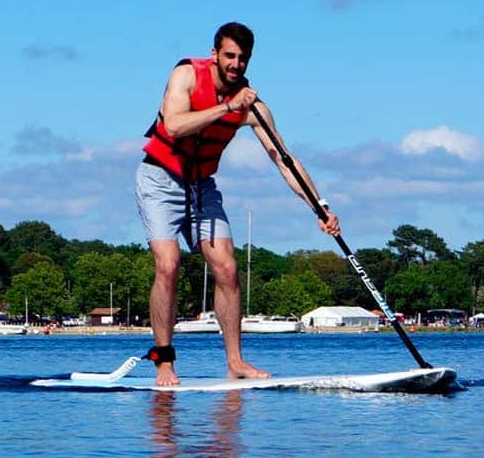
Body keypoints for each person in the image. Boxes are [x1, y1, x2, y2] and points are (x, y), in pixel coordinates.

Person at [136, 22, 340, 386]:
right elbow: (174, 126)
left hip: (201, 186)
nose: (236, 64)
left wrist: (319, 207)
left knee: (227, 269)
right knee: (169, 265)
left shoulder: (253, 107)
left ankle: (235, 362)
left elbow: (284, 159)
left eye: (243, 59)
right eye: (230, 56)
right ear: (215, 54)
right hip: (160, 179)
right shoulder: (186, 75)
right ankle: (164, 363)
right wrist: (228, 107)